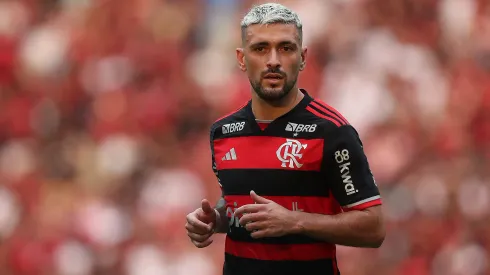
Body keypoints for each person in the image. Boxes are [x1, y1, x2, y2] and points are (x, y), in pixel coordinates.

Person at [185, 3, 385, 275]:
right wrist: (215, 220)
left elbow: (373, 228)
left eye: (286, 48)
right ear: (242, 59)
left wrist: (294, 222)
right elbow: (235, 204)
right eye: (260, 48)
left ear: (302, 57)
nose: (273, 60)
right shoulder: (223, 132)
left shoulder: (331, 131)